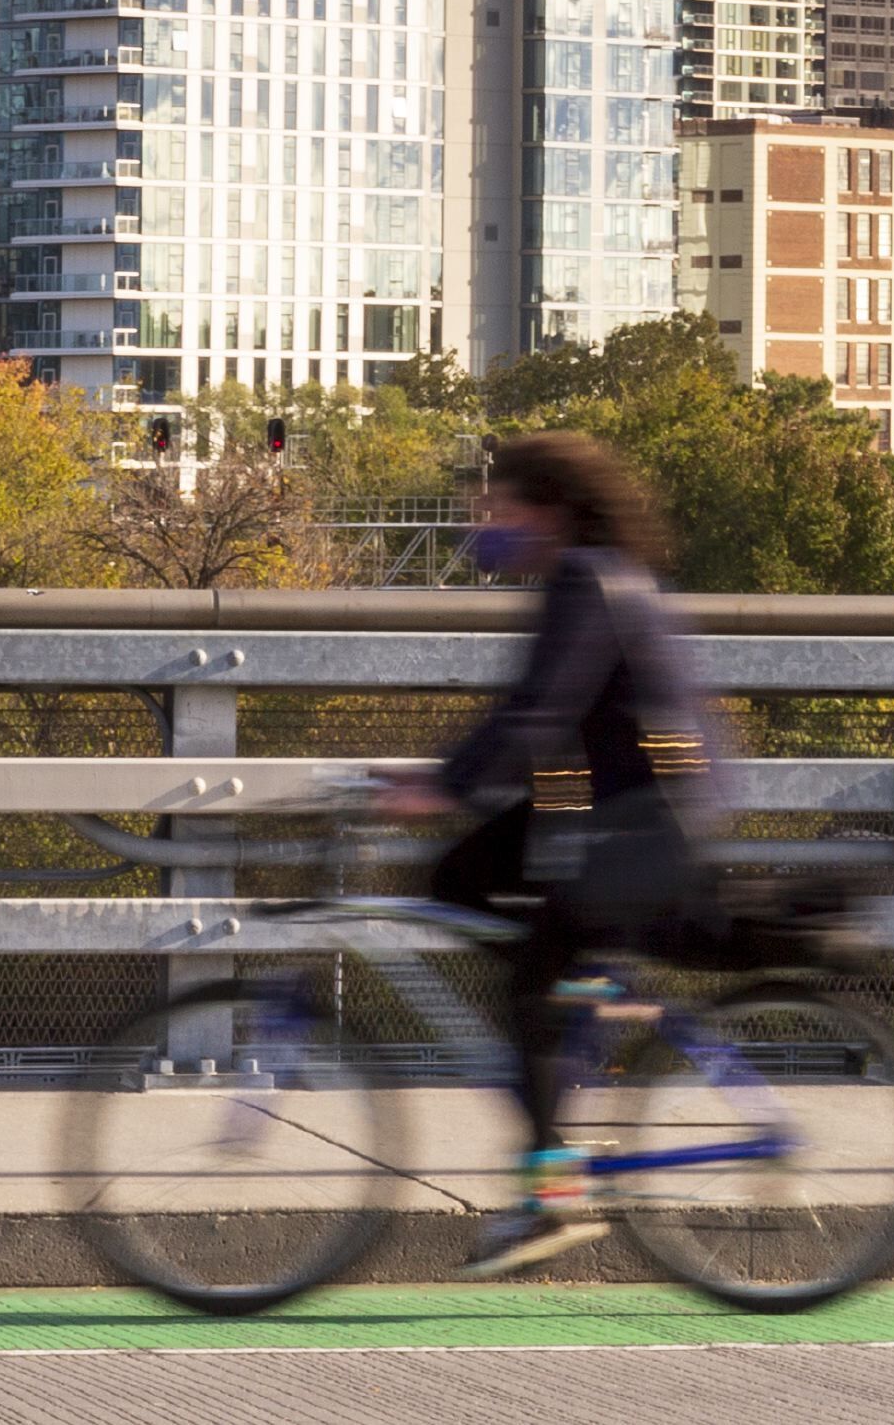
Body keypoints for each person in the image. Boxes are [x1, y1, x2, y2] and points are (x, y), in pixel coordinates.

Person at [383, 429, 726, 1273]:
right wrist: (442, 777)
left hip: (640, 822)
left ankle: (550, 1195)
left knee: (527, 986)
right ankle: (596, 990)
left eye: (501, 505)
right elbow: (534, 719)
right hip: (618, 808)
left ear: (549, 511)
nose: (486, 519)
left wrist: (444, 787)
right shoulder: (590, 574)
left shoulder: (583, 577)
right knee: (456, 872)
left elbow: (537, 710)